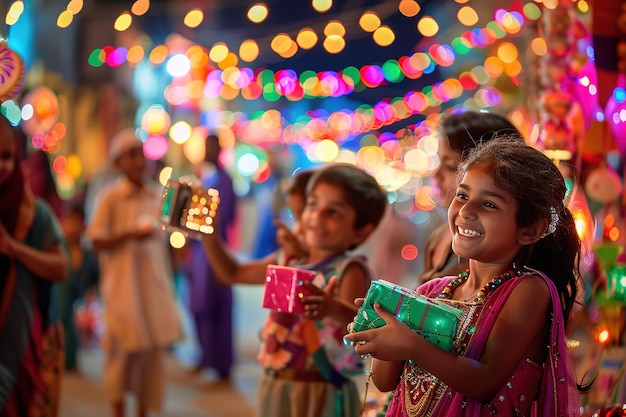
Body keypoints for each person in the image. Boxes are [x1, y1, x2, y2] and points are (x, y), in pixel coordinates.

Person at [344, 136, 583, 416]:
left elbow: (484, 382)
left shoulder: (528, 290)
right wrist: (381, 329)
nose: (466, 211)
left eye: (489, 205)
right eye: (463, 195)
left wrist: (410, 344)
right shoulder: (430, 291)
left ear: (530, 229)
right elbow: (385, 382)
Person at [202, 163, 388, 417]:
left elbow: (360, 328)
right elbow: (232, 273)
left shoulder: (349, 269)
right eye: (312, 205)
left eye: (332, 212)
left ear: (360, 231)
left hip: (318, 388)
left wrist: (331, 307)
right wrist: (209, 233)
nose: (315, 217)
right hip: (276, 383)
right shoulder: (287, 260)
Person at [86, 129, 181, 417]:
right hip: (121, 291)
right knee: (119, 358)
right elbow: (95, 241)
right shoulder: (109, 197)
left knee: (151, 359)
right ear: (118, 163)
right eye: (131, 155)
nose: (139, 162)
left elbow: (171, 239)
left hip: (153, 288)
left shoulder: (158, 195)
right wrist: (128, 235)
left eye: (141, 154)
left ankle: (142, 411)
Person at [0, 115, 68, 416]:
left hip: (19, 340)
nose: (1, 166)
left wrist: (15, 249)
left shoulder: (34, 213)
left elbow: (60, 266)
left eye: (7, 157)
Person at [418, 110, 521, 284]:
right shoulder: (439, 238)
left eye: (450, 166)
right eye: (438, 161)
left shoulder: (487, 251)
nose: (436, 174)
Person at [181, 134, 238, 380]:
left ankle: (221, 364)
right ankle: (206, 357)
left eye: (212, 147)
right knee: (199, 306)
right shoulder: (205, 177)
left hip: (216, 251)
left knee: (217, 307)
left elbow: (223, 218)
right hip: (200, 252)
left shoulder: (224, 181)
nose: (208, 151)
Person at [57, 201, 100, 371]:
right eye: (69, 222)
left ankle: (70, 358)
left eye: (77, 223)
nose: (73, 228)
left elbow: (92, 280)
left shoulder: (87, 254)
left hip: (76, 305)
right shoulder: (58, 248)